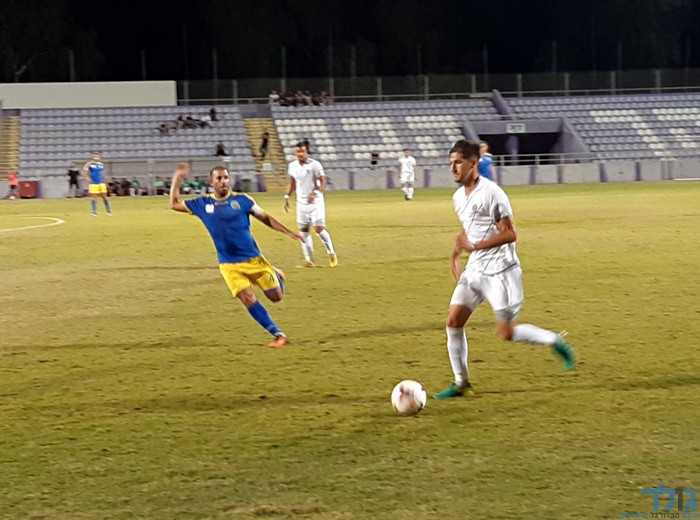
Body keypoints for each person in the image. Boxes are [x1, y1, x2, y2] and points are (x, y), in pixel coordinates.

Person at [433, 140, 575, 399]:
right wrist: (457, 251)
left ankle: (554, 340)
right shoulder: (458, 196)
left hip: (501, 272)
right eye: (451, 162)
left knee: (506, 333)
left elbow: (510, 233)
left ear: (473, 164)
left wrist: (474, 246)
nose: (453, 168)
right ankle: (461, 382)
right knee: (453, 322)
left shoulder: (492, 193)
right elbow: (470, 226)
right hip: (476, 270)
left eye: (458, 162)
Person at [169, 163, 303, 348]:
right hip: (229, 264)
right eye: (219, 178)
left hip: (254, 260)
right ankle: (278, 334)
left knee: (276, 297)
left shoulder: (243, 201)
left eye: (226, 177)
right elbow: (174, 204)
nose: (223, 181)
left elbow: (265, 217)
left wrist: (287, 231)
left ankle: (276, 274)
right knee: (247, 298)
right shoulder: (202, 204)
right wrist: (177, 177)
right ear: (211, 182)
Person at [284, 142, 338, 268]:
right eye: (298, 151)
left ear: (307, 152)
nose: (300, 154)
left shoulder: (315, 164)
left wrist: (315, 193)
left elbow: (323, 181)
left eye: (302, 151)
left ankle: (331, 253)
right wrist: (287, 196)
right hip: (301, 203)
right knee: (303, 232)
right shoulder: (292, 166)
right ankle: (309, 260)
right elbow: (293, 183)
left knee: (319, 230)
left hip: (315, 202)